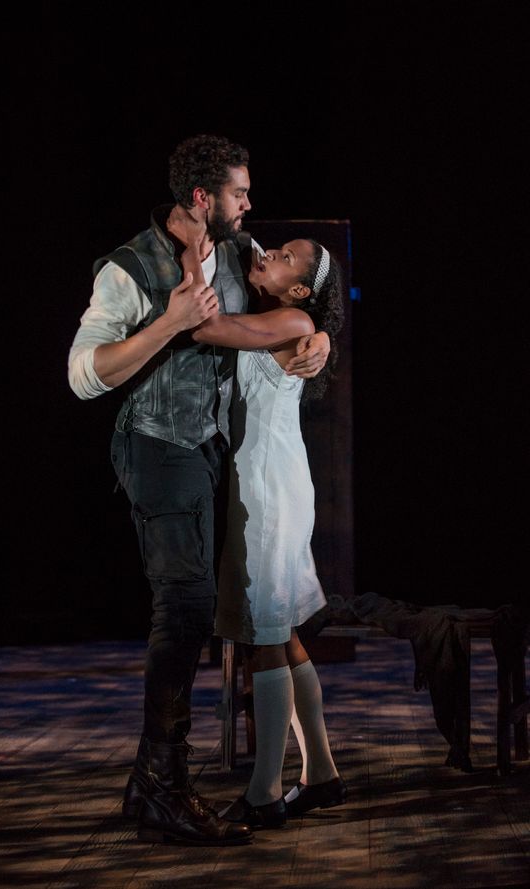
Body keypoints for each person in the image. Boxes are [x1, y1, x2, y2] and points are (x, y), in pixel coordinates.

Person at [67, 134, 330, 846]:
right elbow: (84, 374)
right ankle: (162, 782)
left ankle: (154, 780)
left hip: (213, 451)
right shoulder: (129, 269)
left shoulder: (241, 253)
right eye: (240, 192)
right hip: (153, 442)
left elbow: (296, 305)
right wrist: (169, 323)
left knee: (205, 607)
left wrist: (322, 338)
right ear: (200, 199)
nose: (250, 204)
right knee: (184, 599)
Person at [176, 223, 347, 828]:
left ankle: (264, 792)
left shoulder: (295, 326)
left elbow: (205, 326)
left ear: (299, 291)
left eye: (287, 258)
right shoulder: (293, 313)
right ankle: (321, 774)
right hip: (270, 484)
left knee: (264, 637)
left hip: (271, 494)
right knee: (283, 634)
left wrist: (194, 266)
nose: (272, 254)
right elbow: (245, 240)